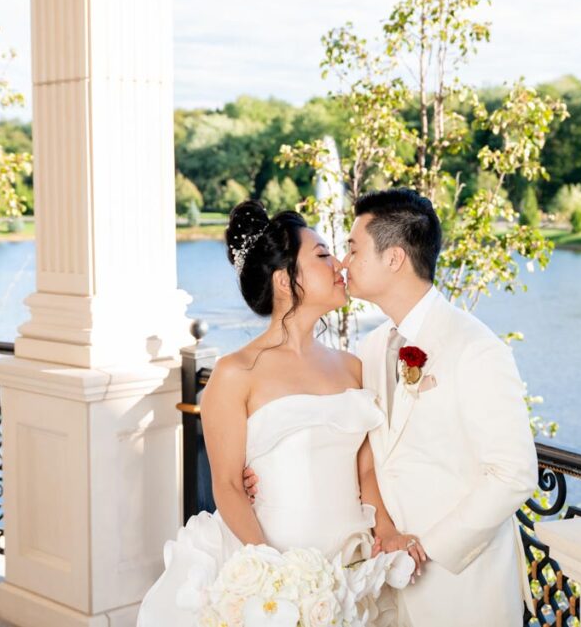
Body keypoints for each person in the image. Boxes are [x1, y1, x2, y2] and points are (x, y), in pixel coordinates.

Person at [245, 188, 538, 625]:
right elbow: (363, 446)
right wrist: (270, 472)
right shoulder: (373, 345)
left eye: (353, 248)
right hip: (383, 577)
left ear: (395, 258)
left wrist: (426, 548)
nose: (343, 262)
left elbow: (514, 474)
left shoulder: (475, 348)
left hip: (463, 585)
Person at [137, 201, 418, 627]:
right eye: (323, 256)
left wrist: (388, 531)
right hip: (272, 563)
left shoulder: (351, 367)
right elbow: (229, 486)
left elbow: (365, 473)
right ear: (286, 280)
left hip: (350, 566)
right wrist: (275, 575)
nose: (339, 263)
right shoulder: (235, 374)